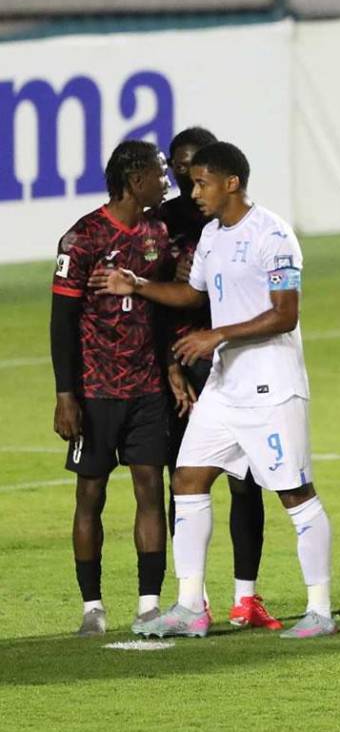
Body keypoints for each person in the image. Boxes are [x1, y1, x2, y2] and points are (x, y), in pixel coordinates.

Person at [94, 142, 335, 639]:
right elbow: (192, 294)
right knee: (186, 480)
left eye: (202, 182)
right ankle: (190, 607)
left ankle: (320, 610)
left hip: (272, 387)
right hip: (226, 388)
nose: (193, 190)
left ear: (231, 183)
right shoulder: (210, 235)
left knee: (295, 493)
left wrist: (215, 335)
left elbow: (285, 314)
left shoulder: (275, 235)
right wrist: (136, 284)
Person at [159, 126, 280, 631]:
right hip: (181, 357)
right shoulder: (164, 224)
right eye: (180, 168)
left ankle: (244, 596)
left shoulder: (246, 226)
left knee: (247, 482)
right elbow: (173, 297)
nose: (189, 179)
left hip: (229, 356)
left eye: (197, 170)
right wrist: (169, 364)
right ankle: (194, 597)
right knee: (183, 476)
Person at [51, 141, 173, 636]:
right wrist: (65, 394)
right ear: (134, 177)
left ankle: (148, 605)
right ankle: (93, 608)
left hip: (146, 388)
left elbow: (164, 307)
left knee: (150, 488)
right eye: (159, 172)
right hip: (96, 390)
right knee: (91, 493)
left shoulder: (158, 234)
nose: (166, 180)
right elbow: (62, 322)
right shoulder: (81, 238)